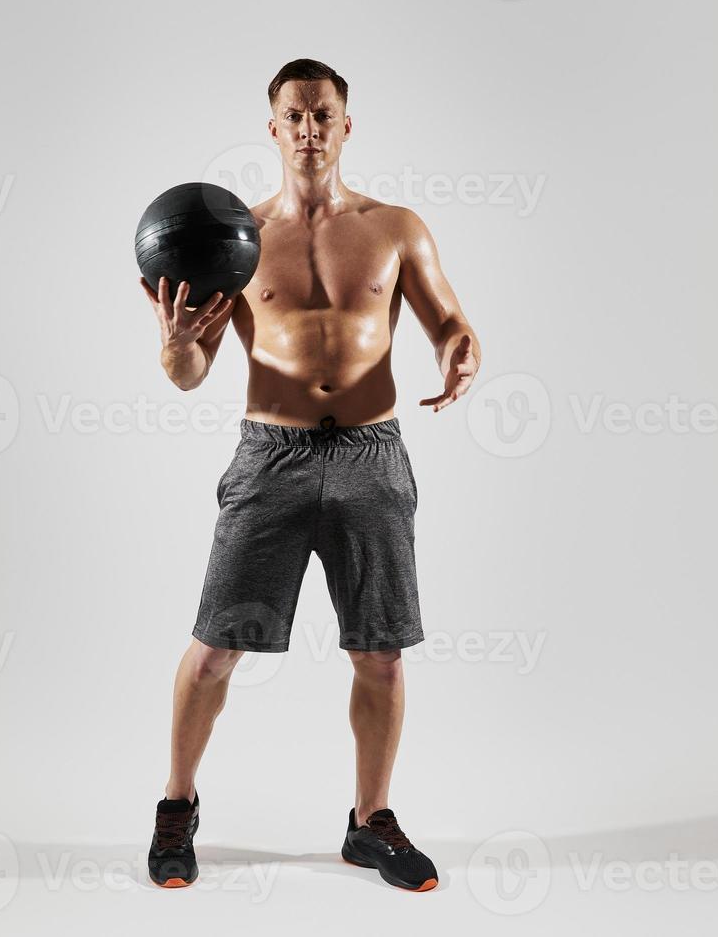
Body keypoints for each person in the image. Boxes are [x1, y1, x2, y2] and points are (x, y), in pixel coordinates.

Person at [140, 59, 481, 893]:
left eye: (323, 114)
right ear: (273, 128)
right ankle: (176, 808)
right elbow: (190, 374)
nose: (308, 128)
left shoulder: (398, 229)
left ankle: (370, 824)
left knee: (383, 655)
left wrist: (461, 351)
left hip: (372, 455)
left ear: (345, 125)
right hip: (272, 457)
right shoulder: (238, 241)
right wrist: (178, 341)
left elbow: (449, 322)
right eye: (294, 115)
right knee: (216, 649)